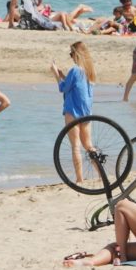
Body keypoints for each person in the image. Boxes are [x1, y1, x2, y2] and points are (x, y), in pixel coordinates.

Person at [53, 41, 96, 183]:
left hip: (72, 110)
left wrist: (56, 75)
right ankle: (100, 174)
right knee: (89, 145)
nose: (71, 56)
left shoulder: (75, 70)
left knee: (76, 145)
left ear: (76, 54)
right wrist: (63, 76)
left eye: (71, 54)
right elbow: (77, 86)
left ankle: (79, 178)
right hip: (86, 112)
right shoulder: (89, 71)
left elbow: (63, 89)